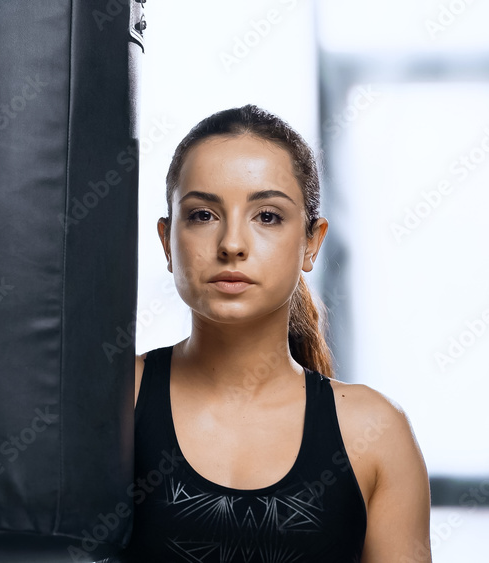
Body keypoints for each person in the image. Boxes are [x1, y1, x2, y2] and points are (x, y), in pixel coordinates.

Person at [108, 105, 431, 562]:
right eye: (202, 214)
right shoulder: (110, 400)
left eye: (267, 216)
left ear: (311, 241)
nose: (232, 244)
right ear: (166, 241)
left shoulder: (374, 432)